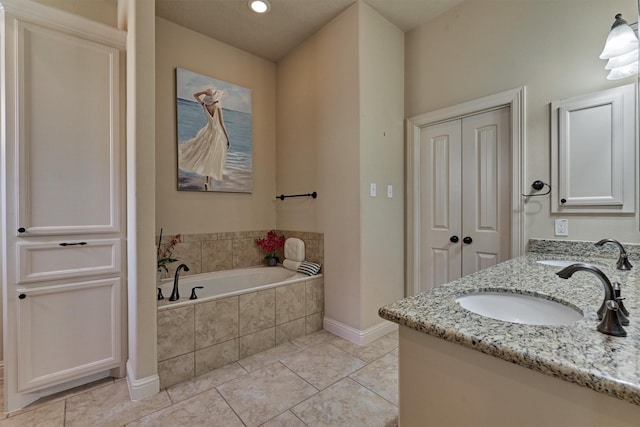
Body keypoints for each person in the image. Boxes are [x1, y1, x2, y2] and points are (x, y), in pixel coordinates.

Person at [178, 88, 231, 190]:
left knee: (205, 155)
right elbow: (221, 124)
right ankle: (208, 183)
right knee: (211, 157)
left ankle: (208, 183)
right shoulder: (217, 108)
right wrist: (227, 138)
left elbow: (195, 95)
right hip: (216, 134)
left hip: (207, 131)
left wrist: (203, 94)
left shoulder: (205, 106)